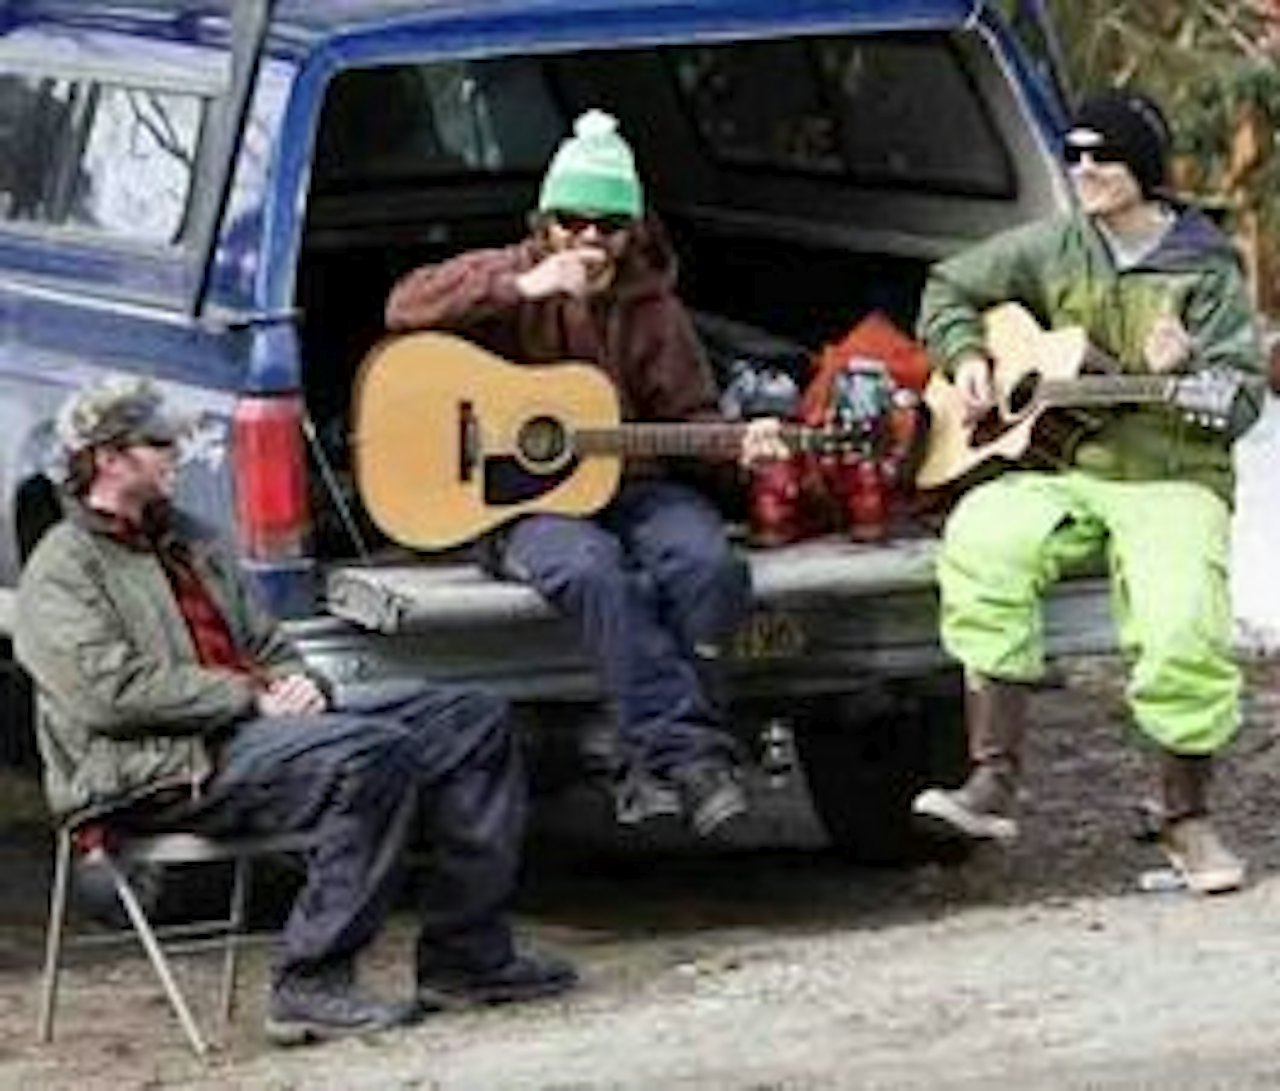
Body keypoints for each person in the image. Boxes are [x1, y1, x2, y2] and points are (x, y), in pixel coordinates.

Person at [15, 376, 577, 1046]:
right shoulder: (62, 567)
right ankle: (310, 982)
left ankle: (466, 953)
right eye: (161, 443)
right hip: (158, 765)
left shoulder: (190, 538)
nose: (179, 456)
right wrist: (247, 695)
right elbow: (108, 695)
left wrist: (299, 683)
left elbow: (268, 642)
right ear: (109, 458)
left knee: (472, 717)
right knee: (371, 752)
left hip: (252, 733)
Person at [385, 109, 787, 835]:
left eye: (609, 226)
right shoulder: (510, 274)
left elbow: (689, 413)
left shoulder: (653, 306)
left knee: (707, 565)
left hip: (632, 484)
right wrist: (523, 288)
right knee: (594, 571)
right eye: (572, 222)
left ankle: (643, 755)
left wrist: (738, 441)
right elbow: (405, 303)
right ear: (545, 221)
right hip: (513, 499)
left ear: (633, 232)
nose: (590, 241)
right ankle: (691, 756)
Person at [909, 90, 1265, 893]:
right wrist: (966, 356)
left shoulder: (1204, 268)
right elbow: (947, 287)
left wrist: (1183, 374)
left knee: (1181, 623)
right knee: (982, 540)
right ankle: (992, 781)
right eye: (1072, 157)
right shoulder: (1056, 245)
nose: (1083, 171)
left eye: (1101, 156)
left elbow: (1241, 401)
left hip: (1173, 477)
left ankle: (1186, 818)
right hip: (1068, 468)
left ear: (1142, 165)